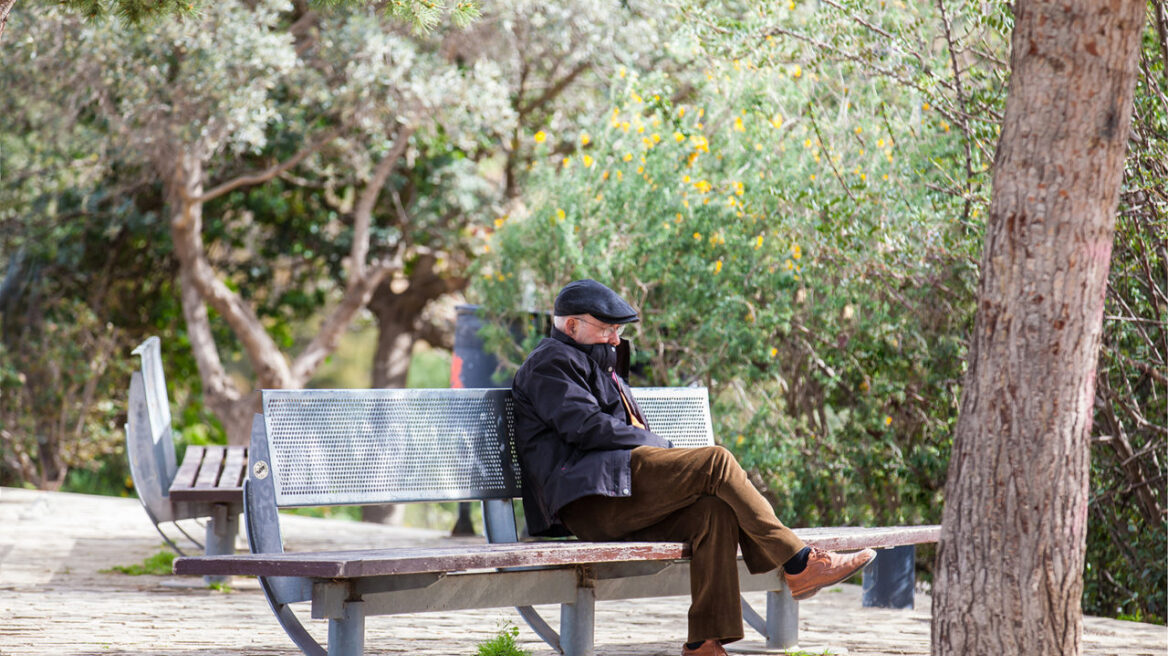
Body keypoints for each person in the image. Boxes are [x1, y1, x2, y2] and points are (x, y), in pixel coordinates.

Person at [511, 279, 876, 656]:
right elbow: (586, 428)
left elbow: (614, 432)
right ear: (572, 326)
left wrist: (657, 450)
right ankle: (798, 562)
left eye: (618, 330)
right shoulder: (549, 363)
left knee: (713, 512)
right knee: (714, 461)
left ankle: (705, 642)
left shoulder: (597, 362)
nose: (616, 339)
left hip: (618, 489)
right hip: (588, 500)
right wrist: (664, 448)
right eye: (607, 329)